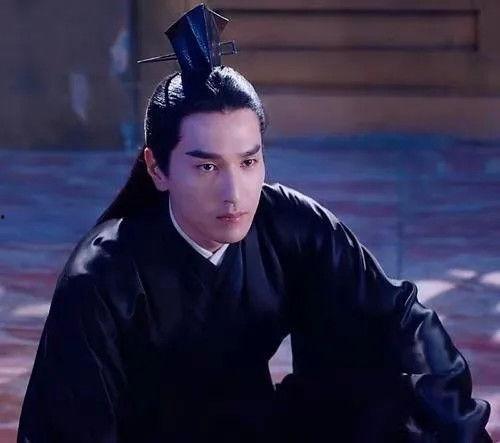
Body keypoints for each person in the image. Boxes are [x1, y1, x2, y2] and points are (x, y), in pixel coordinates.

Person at [17, 4, 491, 443]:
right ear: (157, 169)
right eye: (206, 166)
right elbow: (68, 428)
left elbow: (400, 324)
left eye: (248, 162)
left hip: (260, 432)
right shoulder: (102, 276)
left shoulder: (291, 224)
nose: (234, 192)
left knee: (394, 389)